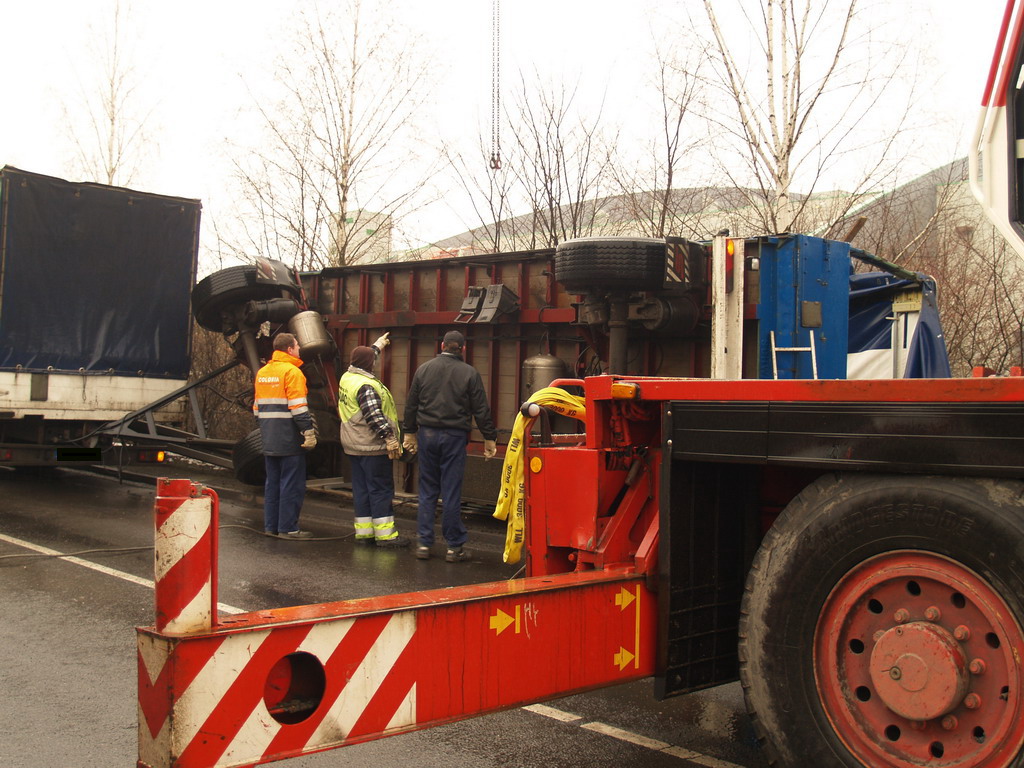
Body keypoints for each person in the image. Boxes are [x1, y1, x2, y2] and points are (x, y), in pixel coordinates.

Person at [403, 329, 497, 562]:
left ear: (442, 345)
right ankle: (454, 548)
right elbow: (481, 409)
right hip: (454, 436)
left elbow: (411, 403)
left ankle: (424, 544)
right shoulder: (469, 373)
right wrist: (489, 437)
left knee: (427, 490)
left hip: (427, 434)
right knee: (451, 491)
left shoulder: (423, 369)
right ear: (462, 349)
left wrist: (409, 432)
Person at [337, 333, 410, 549]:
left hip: (353, 446)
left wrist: (377, 346)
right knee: (380, 489)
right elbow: (375, 416)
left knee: (361, 489)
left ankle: (365, 533)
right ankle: (386, 536)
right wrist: (390, 439)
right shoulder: (366, 386)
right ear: (369, 364)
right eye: (374, 359)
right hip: (372, 447)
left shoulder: (347, 378)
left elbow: (363, 358)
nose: (375, 362)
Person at [253, 332, 317, 538]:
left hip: (269, 437)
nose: (299, 349)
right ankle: (288, 528)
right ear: (289, 349)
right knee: (292, 484)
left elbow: (256, 409)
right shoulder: (292, 372)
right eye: (297, 346)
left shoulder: (262, 372)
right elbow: (298, 407)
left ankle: (271, 527)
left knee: (272, 484)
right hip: (289, 438)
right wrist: (308, 432)